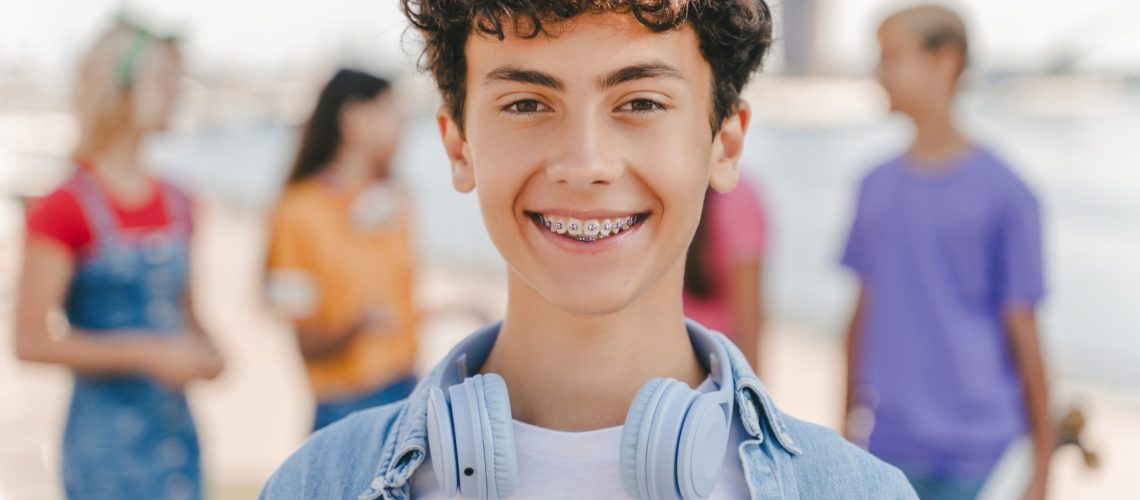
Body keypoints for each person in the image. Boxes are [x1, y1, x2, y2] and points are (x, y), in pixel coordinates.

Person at [262, 2, 917, 499]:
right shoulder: (315, 484)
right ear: (459, 145)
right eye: (525, 102)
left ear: (725, 143)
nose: (585, 164)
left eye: (639, 101)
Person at [840, 5, 1052, 500]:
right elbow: (859, 318)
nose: (879, 72)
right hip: (885, 443)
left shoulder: (1008, 192)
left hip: (982, 455)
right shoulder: (873, 186)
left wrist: (1042, 466)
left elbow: (1026, 332)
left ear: (945, 61)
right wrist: (842, 434)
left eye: (892, 56)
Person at [14, 18, 223, 499]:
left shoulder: (182, 201)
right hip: (104, 451)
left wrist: (210, 353)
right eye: (164, 80)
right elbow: (30, 341)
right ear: (121, 91)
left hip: (179, 444)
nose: (177, 93)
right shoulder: (63, 207)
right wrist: (150, 353)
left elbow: (190, 318)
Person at [264, 69, 420, 432]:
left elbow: (401, 306)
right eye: (387, 111)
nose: (400, 124)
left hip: (408, 389)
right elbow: (305, 342)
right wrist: (356, 326)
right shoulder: (297, 211)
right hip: (343, 410)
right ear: (353, 119)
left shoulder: (395, 199)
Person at [683, 177, 769, 373]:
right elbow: (750, 319)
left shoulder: (734, 199)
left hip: (677, 363)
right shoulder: (739, 197)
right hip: (713, 363)